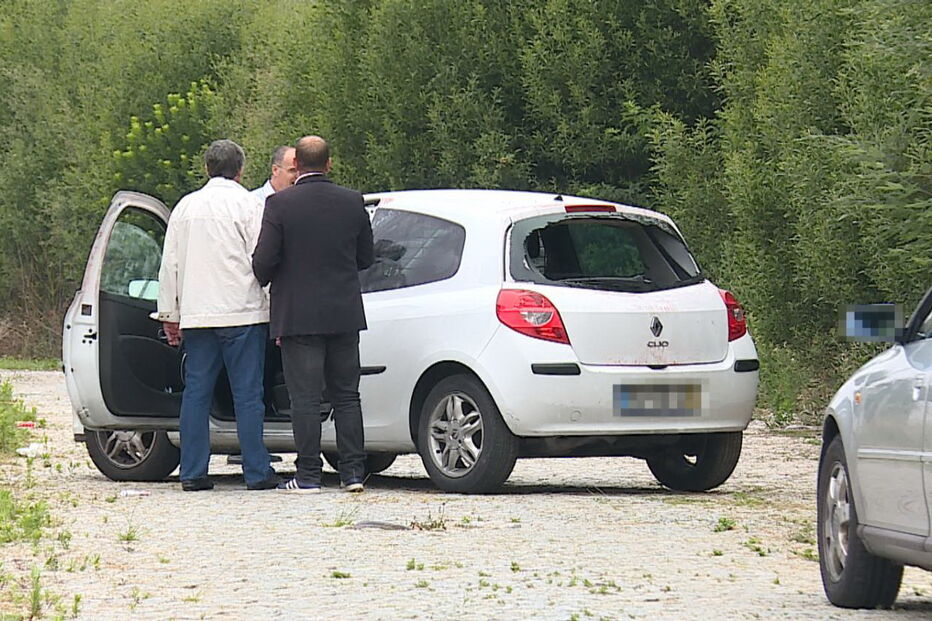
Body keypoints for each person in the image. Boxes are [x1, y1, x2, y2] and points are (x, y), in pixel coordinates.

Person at [252, 135, 374, 493]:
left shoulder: (279, 205)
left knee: (304, 398)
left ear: (297, 166)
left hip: (298, 315)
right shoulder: (353, 202)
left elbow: (263, 262)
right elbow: (366, 257)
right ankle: (353, 472)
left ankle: (308, 475)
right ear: (329, 164)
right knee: (347, 395)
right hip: (343, 312)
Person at [157, 139, 280, 492]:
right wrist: (275, 303)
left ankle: (193, 471)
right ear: (240, 170)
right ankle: (256, 471)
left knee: (196, 392)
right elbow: (262, 259)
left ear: (207, 168)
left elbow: (171, 265)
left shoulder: (185, 207)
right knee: (247, 394)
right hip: (242, 312)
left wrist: (170, 313)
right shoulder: (249, 205)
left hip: (197, 315)